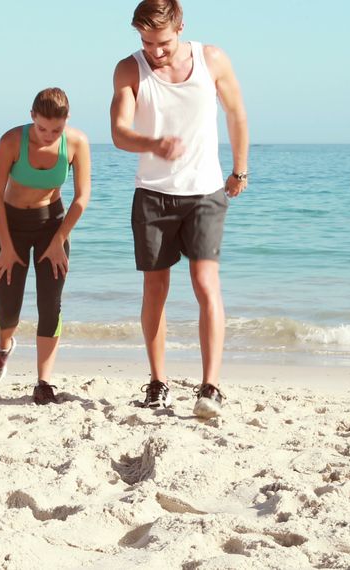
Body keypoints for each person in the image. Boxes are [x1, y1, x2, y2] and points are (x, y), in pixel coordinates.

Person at [109, 0, 249, 417]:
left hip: (205, 191)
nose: (155, 51)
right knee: (155, 289)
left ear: (181, 27)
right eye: (146, 41)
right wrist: (154, 143)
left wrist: (240, 171)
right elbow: (119, 131)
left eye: (163, 41)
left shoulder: (213, 59)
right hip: (152, 193)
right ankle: (157, 382)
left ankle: (210, 387)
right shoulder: (129, 69)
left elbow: (237, 112)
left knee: (206, 284)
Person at [0, 88, 92, 405]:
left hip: (52, 227)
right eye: (42, 128)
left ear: (66, 121)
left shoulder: (76, 143)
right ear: (32, 117)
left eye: (55, 130)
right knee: (9, 311)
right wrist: (5, 245)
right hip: (11, 226)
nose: (48, 135)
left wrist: (60, 239)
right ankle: (4, 346)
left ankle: (44, 382)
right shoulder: (11, 141)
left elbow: (82, 197)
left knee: (50, 304)